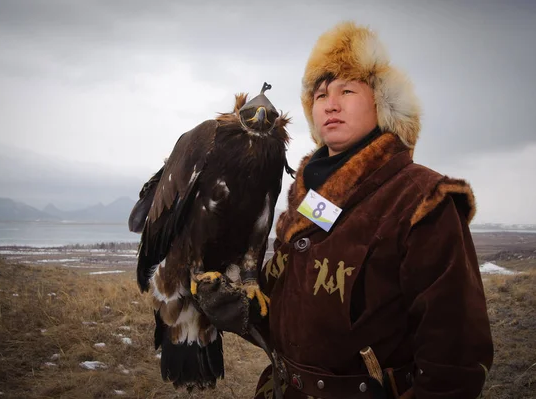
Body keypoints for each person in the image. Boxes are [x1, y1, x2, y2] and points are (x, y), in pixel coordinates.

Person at [198, 21, 493, 399]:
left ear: (380, 103)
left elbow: (455, 362)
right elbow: (301, 313)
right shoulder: (314, 202)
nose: (330, 104)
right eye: (320, 95)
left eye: (347, 90)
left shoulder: (421, 199)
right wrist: (245, 311)